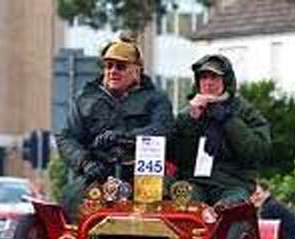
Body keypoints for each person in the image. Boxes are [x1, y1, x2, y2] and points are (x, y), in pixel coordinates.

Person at [56, 33, 174, 220]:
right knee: (71, 199)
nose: (113, 71)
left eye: (120, 66)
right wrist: (85, 163)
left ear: (136, 71)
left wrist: (124, 137)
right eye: (108, 66)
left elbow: (163, 130)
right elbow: (66, 137)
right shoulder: (85, 99)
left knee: (169, 203)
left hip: (145, 174)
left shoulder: (156, 99)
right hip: (99, 172)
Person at [168, 54, 271, 206]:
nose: (208, 83)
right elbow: (176, 156)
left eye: (214, 77)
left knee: (228, 210)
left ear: (226, 81)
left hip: (233, 184)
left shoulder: (244, 110)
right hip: (194, 182)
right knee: (185, 201)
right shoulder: (186, 115)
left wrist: (227, 120)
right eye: (203, 78)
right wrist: (192, 121)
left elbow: (256, 151)